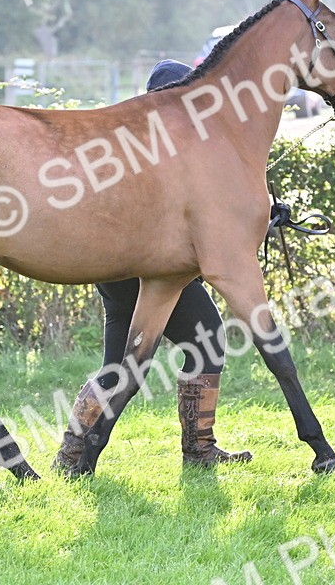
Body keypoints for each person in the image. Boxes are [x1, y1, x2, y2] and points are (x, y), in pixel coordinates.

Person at [53, 60, 252, 470]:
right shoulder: (169, 144)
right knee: (206, 340)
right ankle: (198, 450)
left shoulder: (128, 139)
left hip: (111, 271)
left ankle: (71, 454)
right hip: (152, 271)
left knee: (117, 367)